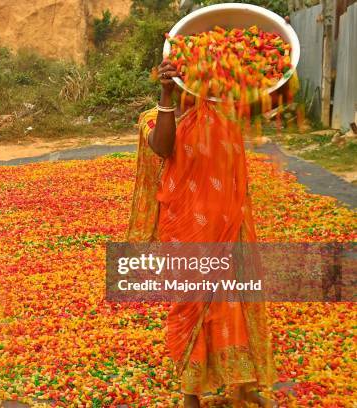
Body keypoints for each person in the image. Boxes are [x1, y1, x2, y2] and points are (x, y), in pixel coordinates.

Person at [128, 60, 278, 407]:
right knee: (191, 305)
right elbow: (163, 147)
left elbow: (264, 95)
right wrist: (167, 95)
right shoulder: (152, 117)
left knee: (235, 301)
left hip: (228, 222)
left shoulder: (221, 113)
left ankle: (243, 384)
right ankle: (192, 391)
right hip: (185, 229)